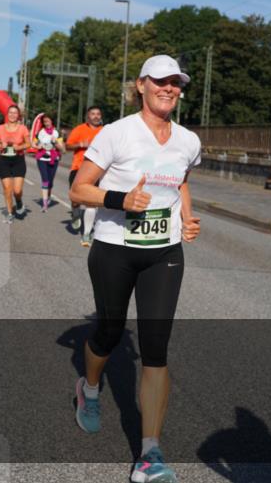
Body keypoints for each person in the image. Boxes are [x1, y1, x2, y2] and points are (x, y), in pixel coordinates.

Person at [68, 55, 202, 483]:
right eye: (160, 81)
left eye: (175, 83)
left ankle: (150, 454)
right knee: (109, 334)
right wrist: (119, 200)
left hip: (164, 252)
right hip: (114, 249)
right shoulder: (116, 133)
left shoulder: (187, 140)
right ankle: (89, 390)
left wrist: (186, 215)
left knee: (156, 348)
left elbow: (180, 178)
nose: (169, 88)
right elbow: (78, 189)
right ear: (141, 85)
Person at [66, 106, 104, 245]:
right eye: (93, 114)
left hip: (97, 169)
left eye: (98, 114)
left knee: (91, 202)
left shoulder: (105, 131)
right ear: (88, 116)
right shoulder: (79, 129)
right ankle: (75, 213)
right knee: (76, 200)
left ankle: (86, 234)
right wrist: (80, 144)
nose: (95, 116)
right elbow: (67, 146)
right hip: (78, 168)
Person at [0, 105, 30, 224]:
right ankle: (9, 213)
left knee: (17, 191)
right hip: (4, 161)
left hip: (18, 160)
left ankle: (18, 202)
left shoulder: (23, 128)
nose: (12, 115)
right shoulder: (0, 128)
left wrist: (19, 147)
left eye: (15, 113)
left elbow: (28, 144)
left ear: (18, 115)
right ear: (7, 115)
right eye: (10, 113)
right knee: (7, 189)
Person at [33, 114, 66, 212]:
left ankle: (48, 197)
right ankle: (44, 204)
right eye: (44, 121)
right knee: (45, 180)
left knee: (50, 182)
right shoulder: (40, 132)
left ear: (52, 121)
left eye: (48, 121)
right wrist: (38, 146)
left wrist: (55, 142)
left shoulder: (57, 132)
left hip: (54, 159)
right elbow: (34, 143)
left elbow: (62, 150)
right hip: (41, 159)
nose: (46, 123)